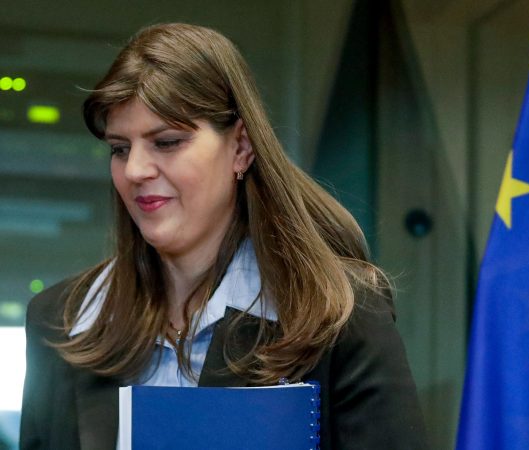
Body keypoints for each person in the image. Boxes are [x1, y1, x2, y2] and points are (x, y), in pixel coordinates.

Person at [20, 23, 428, 450]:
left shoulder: (338, 312)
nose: (135, 170)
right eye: (120, 148)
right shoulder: (59, 321)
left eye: (167, 142)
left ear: (241, 148)